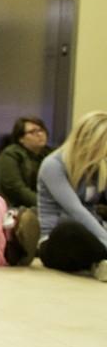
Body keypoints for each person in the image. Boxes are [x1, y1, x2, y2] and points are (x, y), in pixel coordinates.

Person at [35, 111, 107, 280]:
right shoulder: (53, 165)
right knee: (70, 230)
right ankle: (100, 258)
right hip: (57, 240)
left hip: (94, 234)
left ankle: (98, 262)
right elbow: (76, 210)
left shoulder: (97, 166)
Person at [0, 116, 52, 208]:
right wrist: (45, 204)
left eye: (41, 130)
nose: (39, 134)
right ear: (21, 139)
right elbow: (17, 189)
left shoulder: (50, 154)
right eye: (32, 132)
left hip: (44, 205)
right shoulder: (10, 155)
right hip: (17, 207)